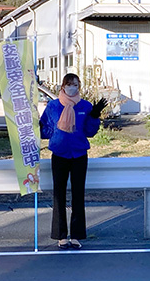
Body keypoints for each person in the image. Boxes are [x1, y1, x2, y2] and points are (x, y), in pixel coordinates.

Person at [40, 73, 107, 250]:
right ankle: (60, 236)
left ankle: (76, 235)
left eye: (75, 84)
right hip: (60, 154)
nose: (72, 87)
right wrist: (35, 125)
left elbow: (89, 132)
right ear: (63, 86)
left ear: (79, 86)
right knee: (59, 196)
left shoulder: (85, 106)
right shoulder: (53, 106)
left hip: (78, 155)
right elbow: (45, 129)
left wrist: (94, 116)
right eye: (69, 84)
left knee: (78, 195)